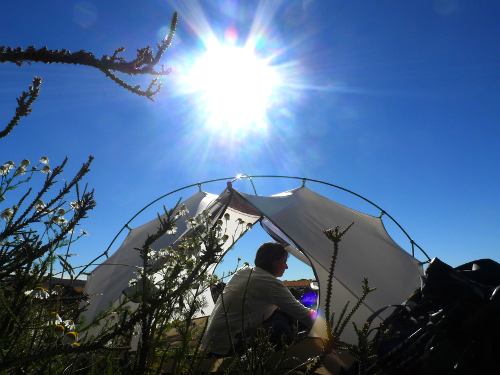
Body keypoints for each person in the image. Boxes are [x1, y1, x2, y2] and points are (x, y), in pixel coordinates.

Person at [201, 242, 315, 356]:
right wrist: (327, 324)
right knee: (280, 324)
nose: (286, 266)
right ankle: (286, 357)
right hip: (225, 347)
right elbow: (304, 314)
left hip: (209, 342)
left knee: (280, 315)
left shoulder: (244, 272)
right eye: (284, 261)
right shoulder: (271, 284)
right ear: (274, 262)